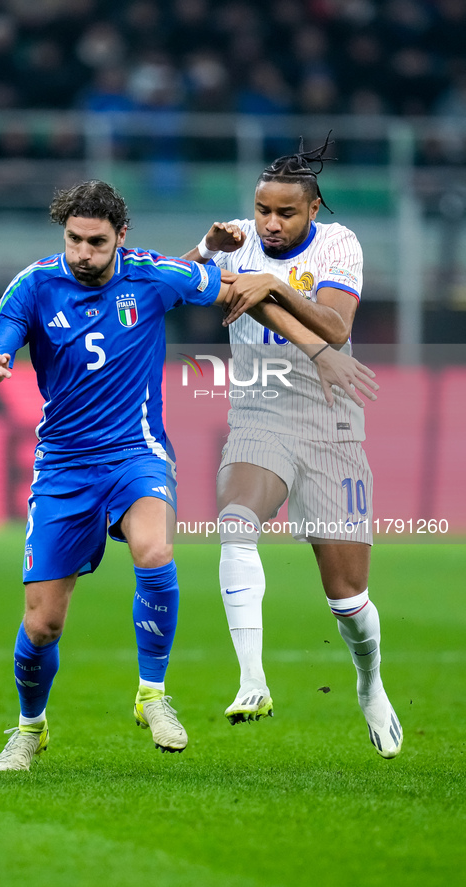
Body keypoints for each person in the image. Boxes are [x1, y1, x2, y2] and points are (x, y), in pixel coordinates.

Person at [0, 179, 378, 771]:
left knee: (155, 552)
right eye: (75, 240)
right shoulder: (32, 287)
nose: (83, 253)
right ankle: (30, 727)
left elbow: (237, 291)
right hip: (63, 467)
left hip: (137, 454)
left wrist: (317, 350)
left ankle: (153, 695)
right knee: (43, 625)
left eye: (97, 243)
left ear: (120, 238)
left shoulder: (151, 275)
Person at [182, 136, 403, 759]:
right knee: (234, 522)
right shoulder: (238, 242)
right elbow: (161, 288)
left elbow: (335, 327)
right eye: (262, 210)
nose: (269, 224)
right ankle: (252, 680)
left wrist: (270, 287)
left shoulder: (340, 244)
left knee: (349, 602)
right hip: (259, 413)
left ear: (312, 211)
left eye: (284, 213)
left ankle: (369, 681)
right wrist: (205, 250)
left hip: (332, 425)